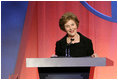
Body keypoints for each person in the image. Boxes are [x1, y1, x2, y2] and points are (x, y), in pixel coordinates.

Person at [51, 12, 97, 79]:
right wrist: (54, 59)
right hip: (64, 76)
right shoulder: (60, 44)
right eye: (67, 26)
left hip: (83, 76)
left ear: (76, 25)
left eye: (72, 25)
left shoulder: (87, 42)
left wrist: (94, 58)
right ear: (64, 28)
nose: (71, 28)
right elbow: (58, 63)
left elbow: (92, 62)